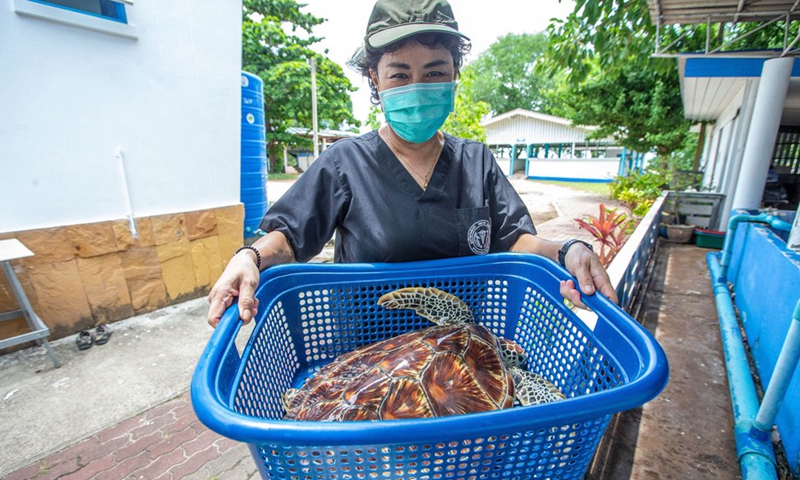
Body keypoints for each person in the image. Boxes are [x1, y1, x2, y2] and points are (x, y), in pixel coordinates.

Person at [207, 0, 618, 327]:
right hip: (368, 360)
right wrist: (250, 258)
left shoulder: (476, 163)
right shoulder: (345, 163)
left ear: (455, 73)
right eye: (400, 75)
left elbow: (517, 242)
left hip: (459, 356)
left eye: (435, 72)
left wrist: (569, 250)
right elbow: (288, 238)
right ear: (375, 78)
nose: (417, 89)